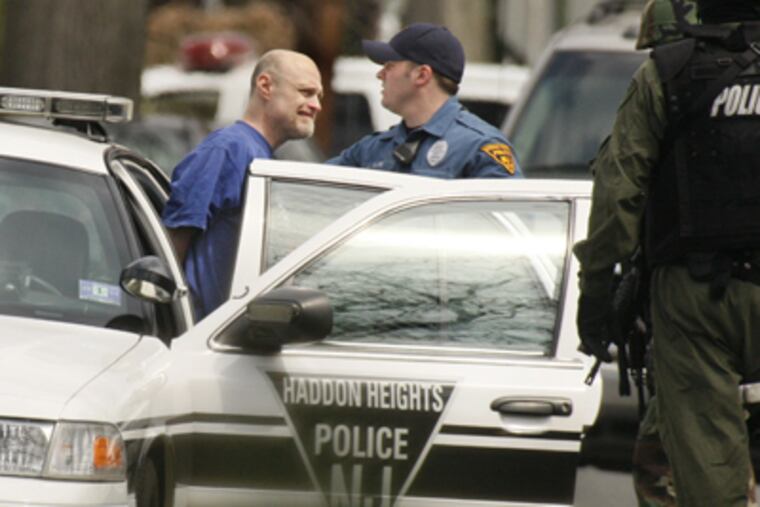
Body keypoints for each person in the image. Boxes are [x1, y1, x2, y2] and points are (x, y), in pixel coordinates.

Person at [573, 1, 760, 505]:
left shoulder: (667, 72)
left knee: (708, 485)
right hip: (700, 299)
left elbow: (617, 201)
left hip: (695, 302)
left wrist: (595, 304)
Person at [162, 49, 323, 319]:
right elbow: (172, 246)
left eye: (319, 96)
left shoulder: (259, 155)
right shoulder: (228, 149)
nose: (316, 105)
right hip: (204, 338)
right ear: (265, 86)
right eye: (306, 92)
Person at [327, 23, 521, 179]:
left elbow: (506, 219)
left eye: (389, 66)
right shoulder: (372, 149)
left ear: (421, 75)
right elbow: (317, 191)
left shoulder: (479, 148)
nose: (380, 74)